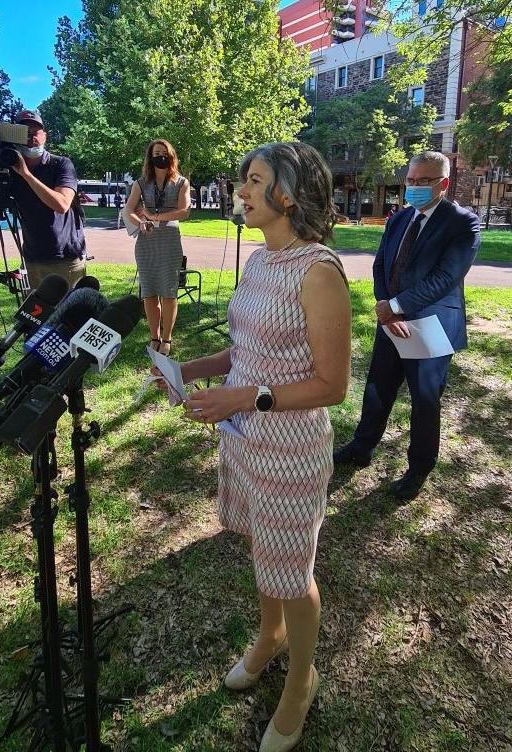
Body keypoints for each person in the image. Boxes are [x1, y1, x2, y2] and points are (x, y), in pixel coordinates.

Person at [156, 142, 351, 752]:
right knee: (262, 548)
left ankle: (301, 680)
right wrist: (189, 368)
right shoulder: (260, 263)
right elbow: (243, 349)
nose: (241, 190)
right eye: (243, 179)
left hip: (290, 447)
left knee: (292, 570)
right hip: (245, 442)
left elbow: (332, 385)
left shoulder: (319, 271)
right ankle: (269, 637)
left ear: (287, 194)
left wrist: (241, 399)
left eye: (254, 180)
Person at [334, 150, 480, 500]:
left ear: (442, 184)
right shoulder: (400, 218)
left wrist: (396, 306)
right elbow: (381, 263)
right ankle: (362, 446)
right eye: (410, 180)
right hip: (392, 322)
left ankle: (419, 469)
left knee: (425, 400)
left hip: (431, 325)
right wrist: (387, 307)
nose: (412, 187)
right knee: (378, 387)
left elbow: (446, 277)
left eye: (422, 182)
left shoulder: (463, 223)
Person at [0, 109, 86, 290]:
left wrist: (25, 174)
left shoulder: (61, 164)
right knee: (39, 316)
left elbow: (62, 204)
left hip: (66, 257)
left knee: (71, 314)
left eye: (36, 132)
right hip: (33, 258)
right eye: (26, 133)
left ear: (45, 136)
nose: (32, 137)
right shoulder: (7, 166)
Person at [125, 139, 190, 355]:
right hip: (147, 242)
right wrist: (141, 222)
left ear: (171, 156)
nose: (160, 156)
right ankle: (154, 336)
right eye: (156, 153)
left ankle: (167, 339)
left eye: (164, 152)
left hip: (170, 240)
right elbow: (129, 210)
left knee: (169, 292)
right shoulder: (140, 183)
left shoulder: (182, 182)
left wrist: (155, 216)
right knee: (150, 293)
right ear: (150, 157)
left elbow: (184, 211)